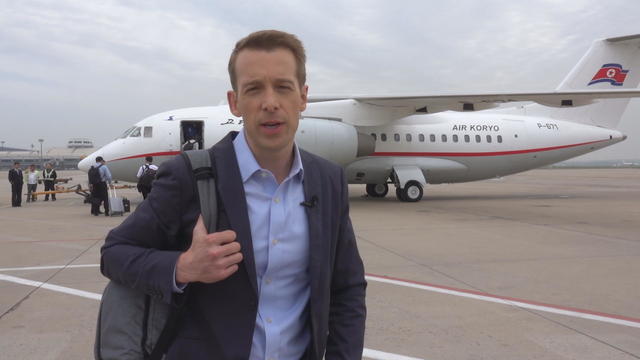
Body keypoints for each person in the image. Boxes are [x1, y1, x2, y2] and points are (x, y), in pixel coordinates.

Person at [101, 30, 366, 359]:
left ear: (302, 97)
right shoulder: (188, 176)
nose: (270, 103)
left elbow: (347, 289)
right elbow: (114, 253)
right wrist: (182, 267)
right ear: (235, 102)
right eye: (254, 89)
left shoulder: (328, 182)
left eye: (283, 87)